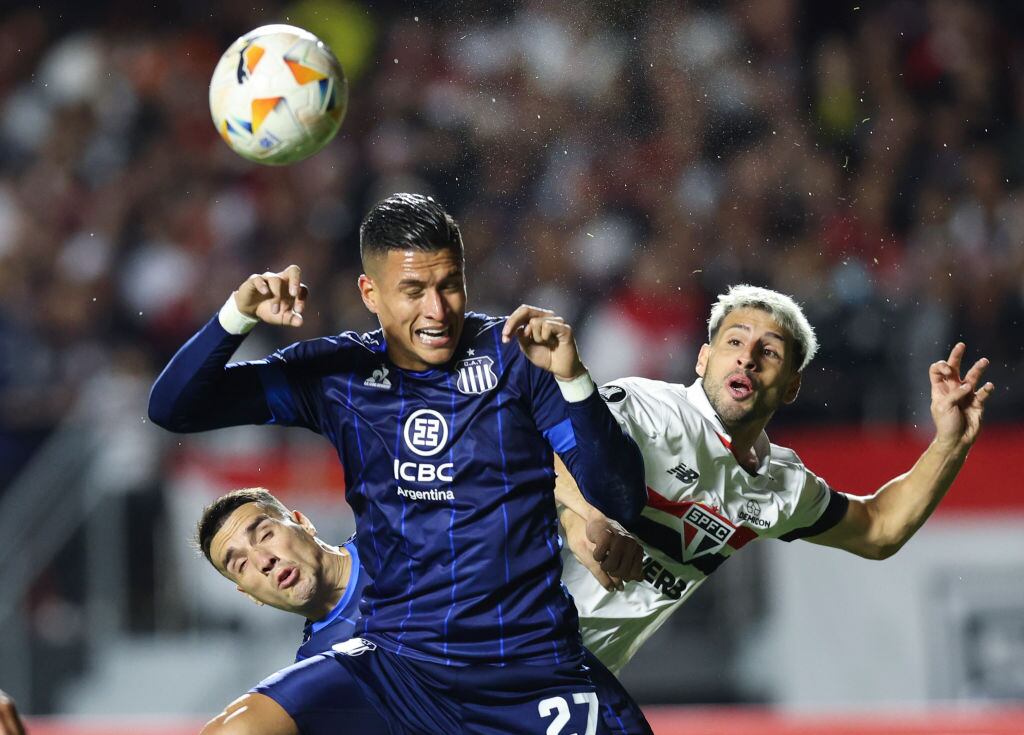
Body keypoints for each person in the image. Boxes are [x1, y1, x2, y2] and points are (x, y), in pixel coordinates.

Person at [148, 193, 648, 734]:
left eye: (448, 285)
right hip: (401, 669)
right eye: (412, 291)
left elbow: (620, 499)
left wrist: (574, 380)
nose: (436, 310)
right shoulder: (338, 376)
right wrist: (236, 315)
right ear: (371, 293)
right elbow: (173, 408)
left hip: (532, 671)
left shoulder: (516, 354)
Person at [555, 284, 995, 673]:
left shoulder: (782, 486)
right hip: (504, 630)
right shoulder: (647, 409)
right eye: (734, 341)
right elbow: (535, 447)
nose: (748, 357)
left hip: (575, 673)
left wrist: (950, 443)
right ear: (704, 359)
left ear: (790, 387)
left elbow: (880, 528)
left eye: (769, 352)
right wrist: (583, 518)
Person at [193, 488, 652, 734]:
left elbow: (521, 466)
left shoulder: (407, 530)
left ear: (301, 521)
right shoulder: (324, 675)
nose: (263, 560)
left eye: (263, 534)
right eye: (240, 564)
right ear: (248, 593)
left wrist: (576, 519)